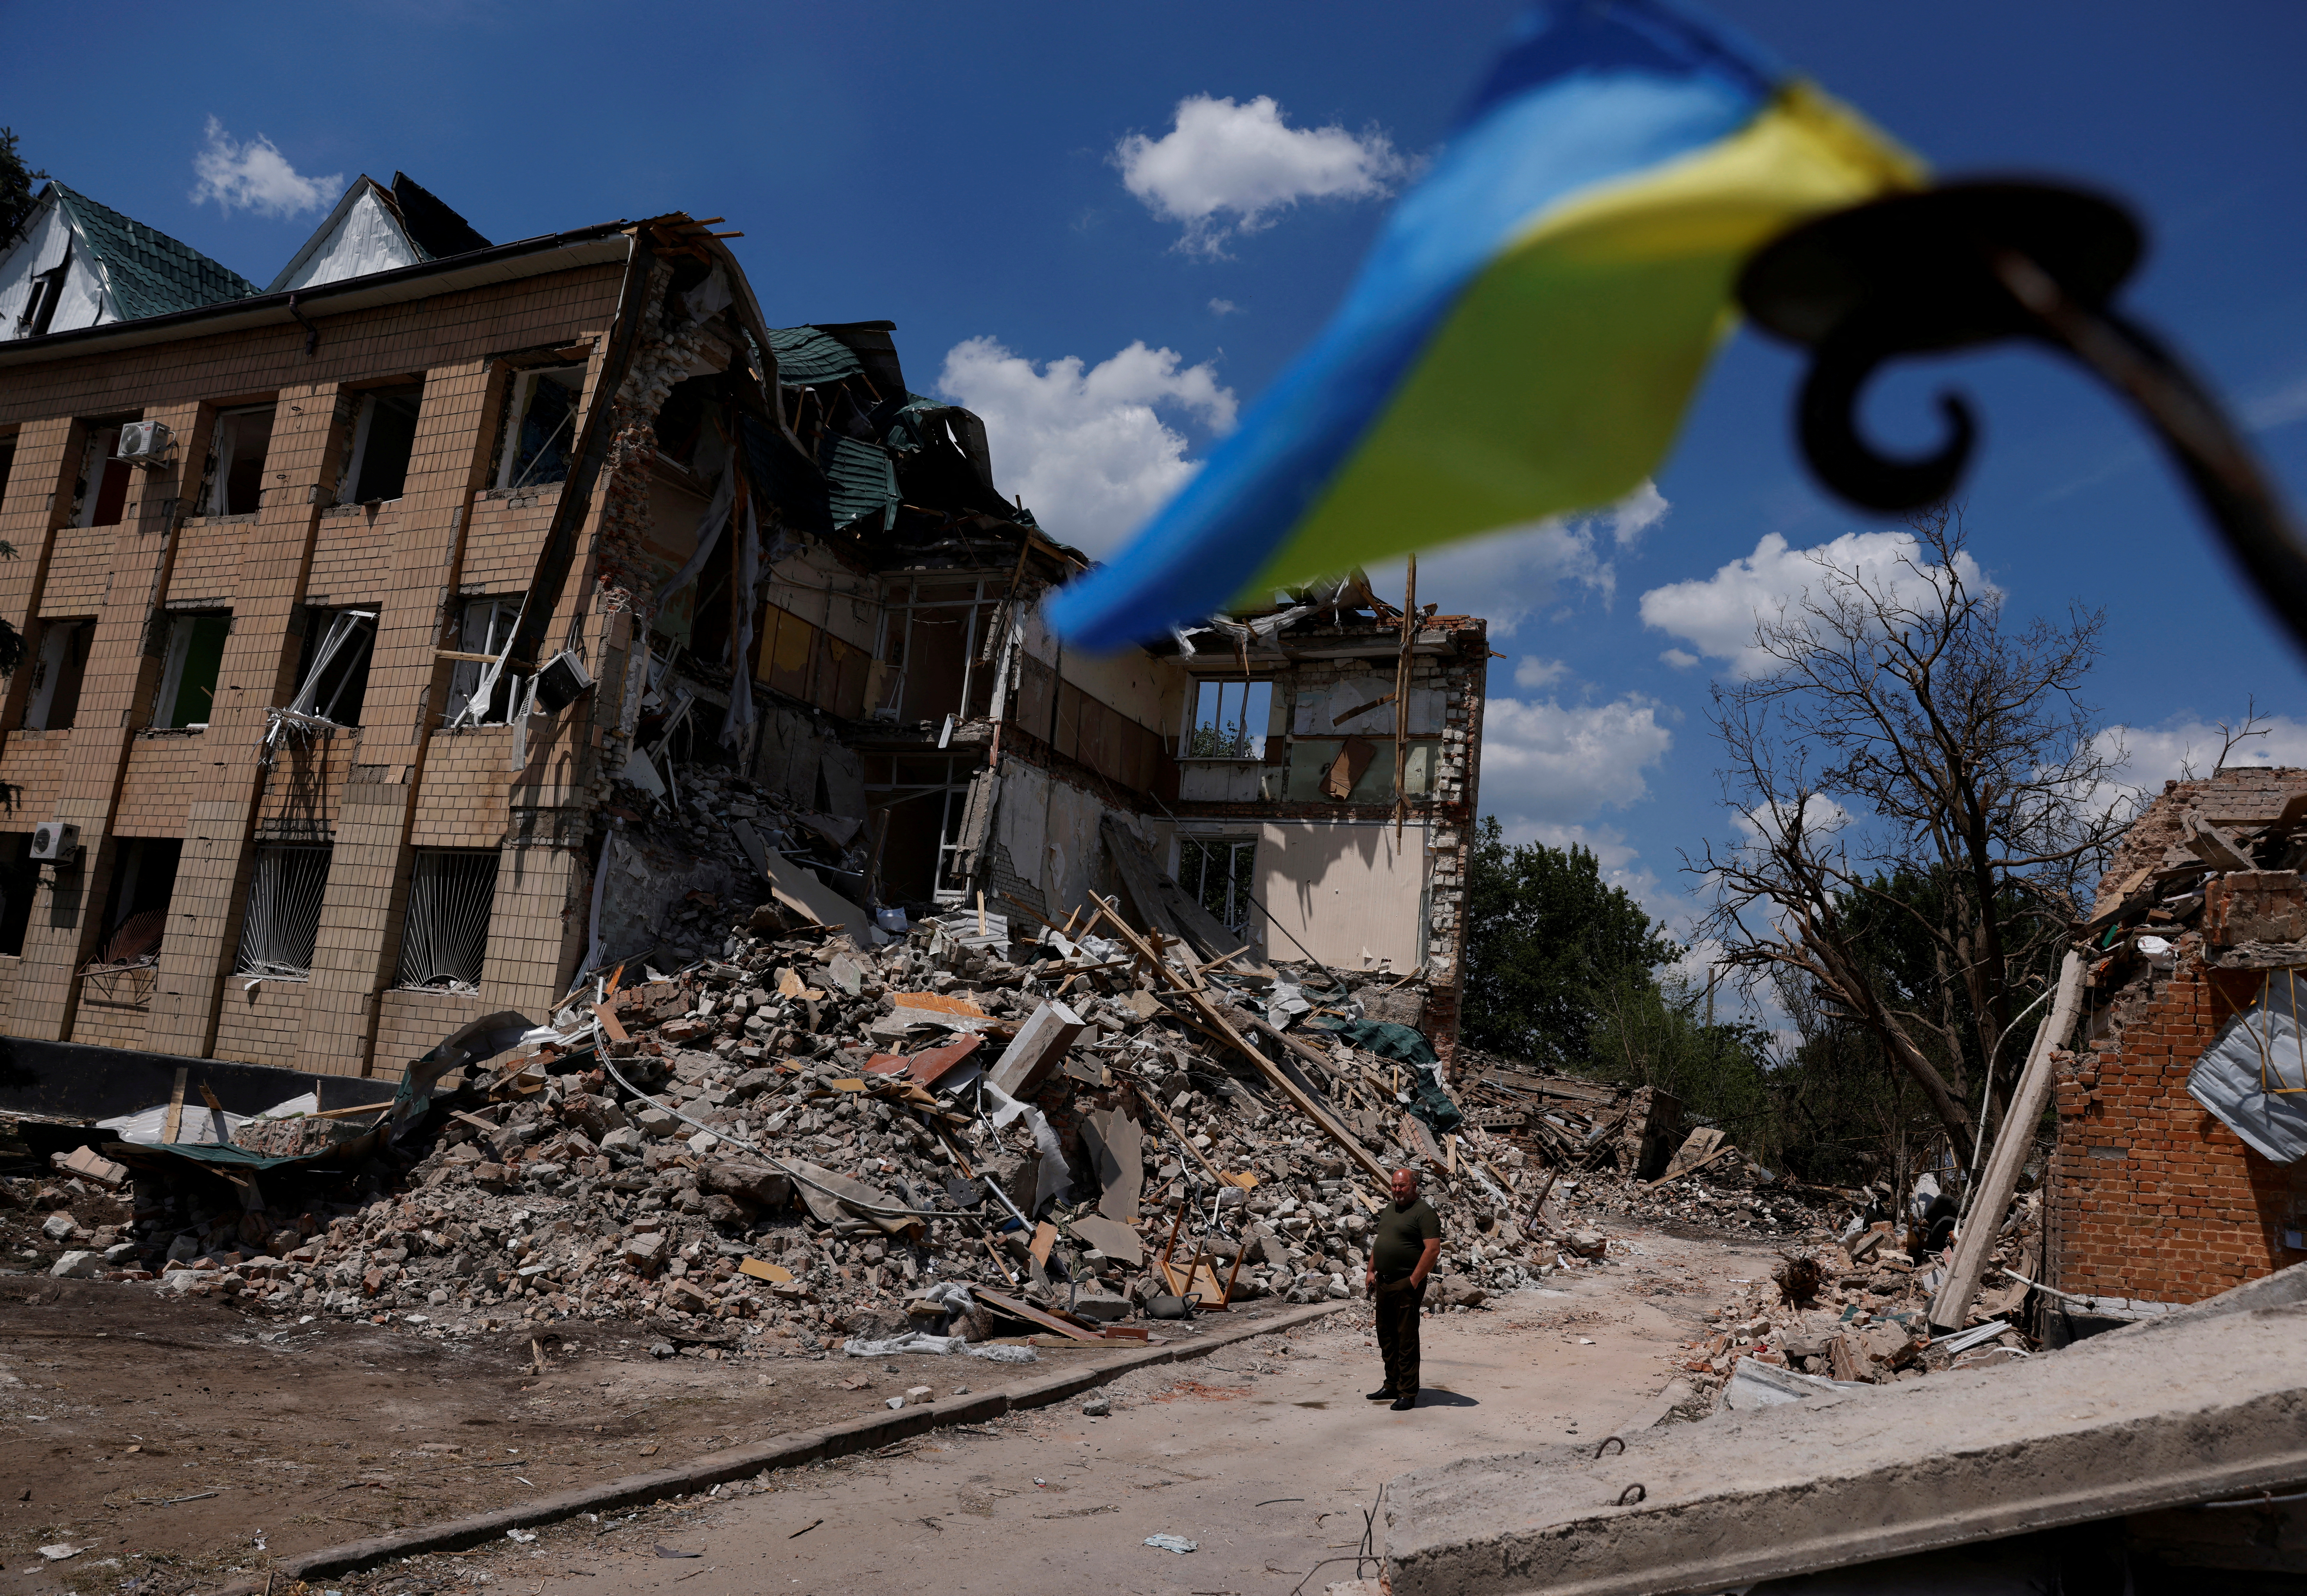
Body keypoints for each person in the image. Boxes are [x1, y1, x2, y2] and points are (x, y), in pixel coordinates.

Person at [1365, 1165, 1442, 1411]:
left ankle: (1408, 1392)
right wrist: (1371, 1270)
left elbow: (1432, 1250)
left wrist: (1414, 1280)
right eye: (1394, 1185)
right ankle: (1392, 1384)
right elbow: (1381, 1241)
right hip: (1385, 1281)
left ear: (1414, 1187)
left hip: (1406, 1282)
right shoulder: (1391, 1209)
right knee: (1386, 1335)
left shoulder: (1424, 1213)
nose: (1397, 1189)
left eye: (1402, 1185)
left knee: (1406, 1338)